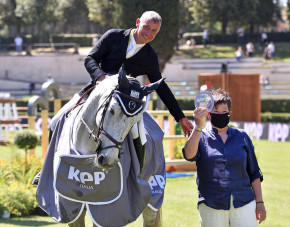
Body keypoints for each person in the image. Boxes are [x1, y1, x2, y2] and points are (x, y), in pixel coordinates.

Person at [50, 11, 193, 136]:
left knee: (140, 136)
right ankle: (50, 166)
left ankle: (138, 167)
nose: (149, 34)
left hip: (124, 102)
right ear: (138, 22)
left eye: (154, 31)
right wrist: (100, 77)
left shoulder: (151, 57)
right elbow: (90, 59)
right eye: (146, 27)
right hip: (93, 91)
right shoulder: (113, 36)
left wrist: (180, 117)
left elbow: (161, 87)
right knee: (55, 122)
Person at [182, 88, 266, 227]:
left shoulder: (242, 136)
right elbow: (189, 155)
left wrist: (260, 202)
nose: (220, 114)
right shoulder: (201, 136)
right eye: (215, 111)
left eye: (224, 111)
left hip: (244, 202)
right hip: (212, 203)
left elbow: (254, 172)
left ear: (230, 113)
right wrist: (197, 127)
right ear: (208, 113)